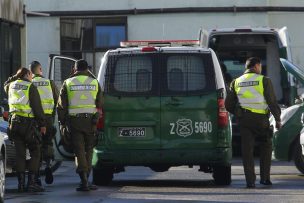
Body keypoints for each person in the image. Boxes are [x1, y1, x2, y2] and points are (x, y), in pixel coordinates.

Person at [225, 57, 282, 188]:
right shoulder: (264, 80)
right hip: (261, 120)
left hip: (244, 120)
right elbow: (272, 102)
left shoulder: (236, 82)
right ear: (256, 66)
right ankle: (265, 179)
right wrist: (278, 119)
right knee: (266, 147)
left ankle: (250, 181)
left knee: (247, 152)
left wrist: (238, 113)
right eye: (260, 66)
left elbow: (228, 104)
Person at [57, 59, 102, 191]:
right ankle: (87, 178)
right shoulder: (95, 82)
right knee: (89, 149)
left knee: (79, 150)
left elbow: (61, 106)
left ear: (75, 69)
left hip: (74, 122)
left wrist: (62, 122)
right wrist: (96, 120)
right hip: (91, 122)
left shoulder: (68, 82)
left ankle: (83, 179)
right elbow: (99, 105)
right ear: (87, 68)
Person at [4, 67, 46, 192]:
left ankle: (20, 184)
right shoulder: (30, 87)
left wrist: (16, 76)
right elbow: (37, 108)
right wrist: (43, 124)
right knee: (36, 150)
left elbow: (5, 84)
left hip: (14, 123)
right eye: (31, 74)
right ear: (27, 74)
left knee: (20, 154)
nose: (32, 77)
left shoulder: (11, 85)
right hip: (28, 124)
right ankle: (31, 182)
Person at [29, 61, 59, 184]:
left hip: (33, 119)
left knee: (35, 147)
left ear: (31, 72)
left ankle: (36, 176)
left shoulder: (29, 83)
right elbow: (58, 100)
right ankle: (48, 165)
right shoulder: (49, 83)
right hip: (47, 119)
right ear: (40, 69)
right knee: (48, 143)